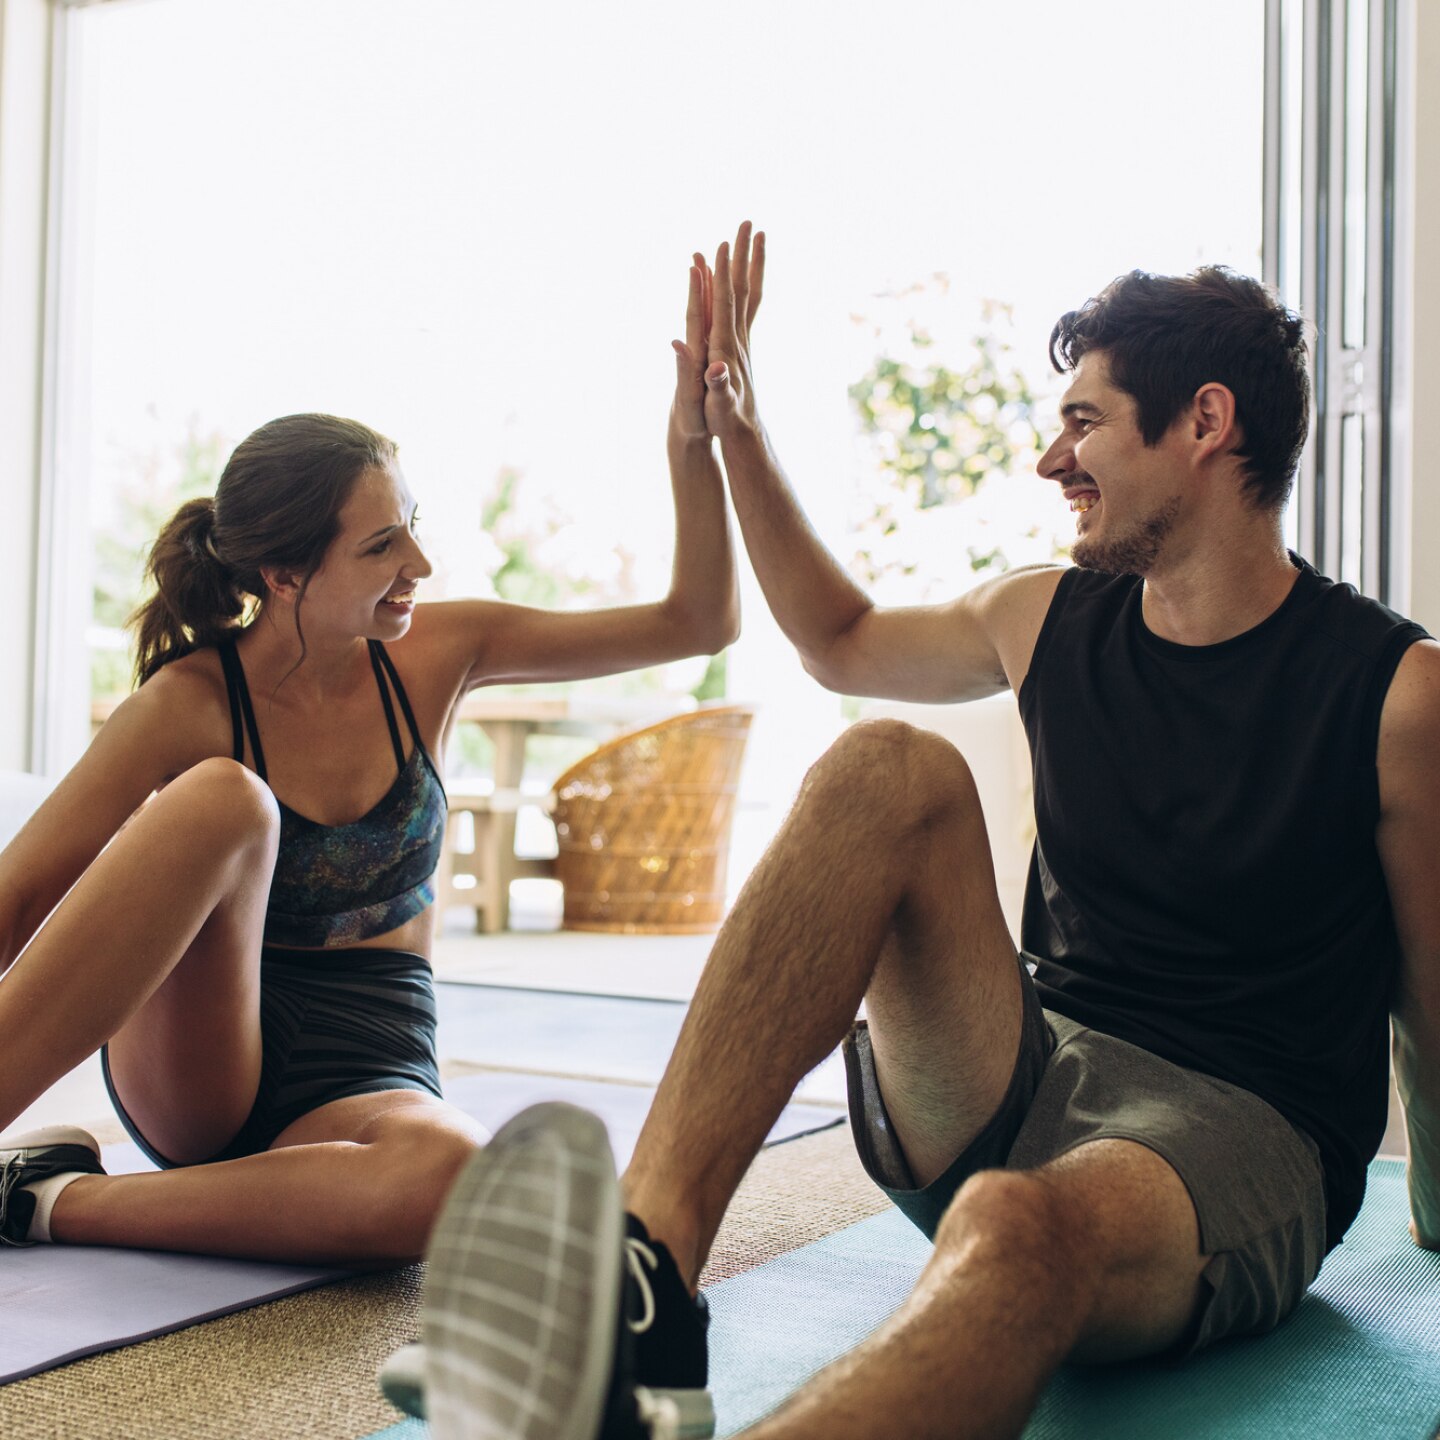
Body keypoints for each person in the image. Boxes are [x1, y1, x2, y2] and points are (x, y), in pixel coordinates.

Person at [403, 222, 1440, 1440]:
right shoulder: (1044, 615)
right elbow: (838, 638)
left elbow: (1430, 983)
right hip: (1023, 1062)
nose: (1054, 457)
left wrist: (1431, 1209)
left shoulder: (1396, 690)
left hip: (1232, 1136)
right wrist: (736, 424)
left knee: (1014, 1226)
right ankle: (643, 1286)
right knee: (885, 762)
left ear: (1206, 423)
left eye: (1086, 421)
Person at [0, 254, 738, 1266]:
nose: (419, 569)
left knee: (453, 1183)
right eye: (384, 545)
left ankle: (45, 1203)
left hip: (374, 1057)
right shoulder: (190, 702)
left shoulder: (440, 652)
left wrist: (695, 439)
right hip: (207, 1055)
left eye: (414, 531)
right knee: (228, 802)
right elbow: (18, 897)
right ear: (285, 573)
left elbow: (699, 621)